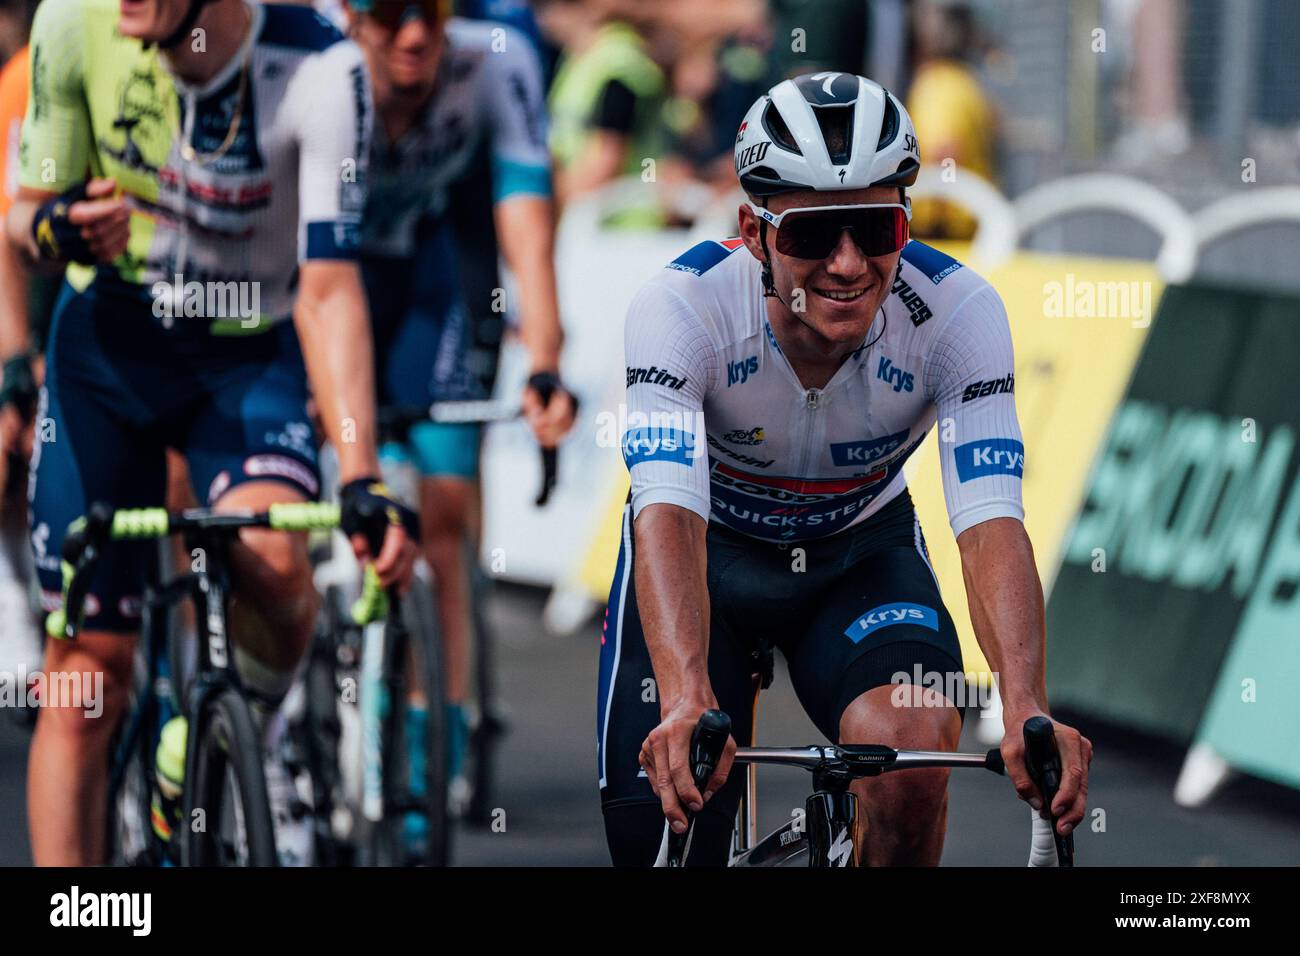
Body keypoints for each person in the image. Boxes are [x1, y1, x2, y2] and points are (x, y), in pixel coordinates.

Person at [598, 72, 1092, 865]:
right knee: (672, 818)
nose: (848, 263)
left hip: (858, 556)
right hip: (709, 557)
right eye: (810, 235)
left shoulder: (959, 314)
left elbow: (991, 520)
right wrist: (688, 694)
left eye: (876, 227)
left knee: (912, 751)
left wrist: (1028, 704)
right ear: (754, 233)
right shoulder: (681, 309)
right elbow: (668, 509)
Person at [8, 0, 417, 866]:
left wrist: (362, 473)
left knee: (276, 568)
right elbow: (22, 213)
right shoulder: (74, 23)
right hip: (108, 352)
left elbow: (329, 288)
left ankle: (188, 754)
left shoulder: (321, 66)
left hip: (246, 356)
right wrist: (56, 226)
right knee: (85, 679)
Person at [341, 0, 574, 805]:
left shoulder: (494, 59)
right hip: (316, 278)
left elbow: (527, 226)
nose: (414, 35)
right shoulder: (315, 61)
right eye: (389, 14)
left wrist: (544, 358)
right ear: (348, 15)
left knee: (439, 521)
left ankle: (432, 745)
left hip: (426, 281)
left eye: (433, 13)